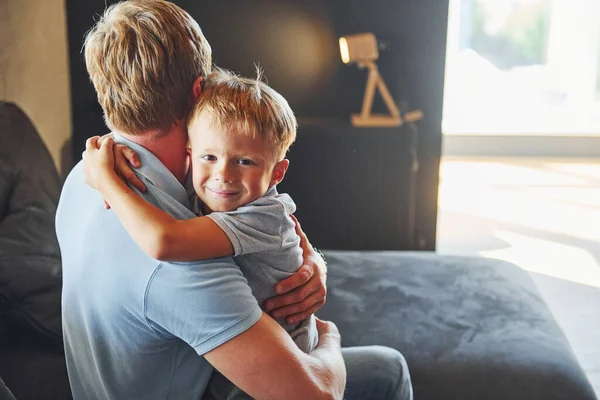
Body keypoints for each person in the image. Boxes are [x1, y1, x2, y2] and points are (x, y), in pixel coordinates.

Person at [56, 1, 413, 399]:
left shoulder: (84, 176)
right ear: (199, 91)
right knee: (389, 369)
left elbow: (267, 223)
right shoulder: (183, 266)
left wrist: (312, 262)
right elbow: (317, 394)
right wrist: (330, 338)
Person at [82, 68, 319, 399]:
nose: (223, 175)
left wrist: (104, 178)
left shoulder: (265, 217)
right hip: (233, 362)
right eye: (210, 157)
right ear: (191, 155)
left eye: (245, 162)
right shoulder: (202, 194)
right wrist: (107, 147)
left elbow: (165, 241)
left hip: (278, 365)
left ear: (277, 172)